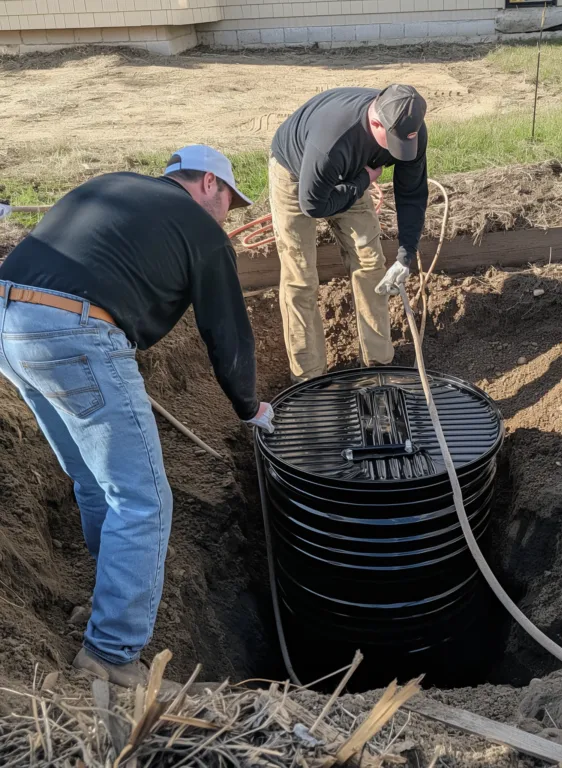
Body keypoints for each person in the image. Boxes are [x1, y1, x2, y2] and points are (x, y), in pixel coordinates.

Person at [0, 146, 274, 688]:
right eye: (229, 202)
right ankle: (110, 653)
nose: (228, 216)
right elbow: (227, 334)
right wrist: (250, 408)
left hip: (9, 323)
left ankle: (105, 609)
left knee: (97, 484)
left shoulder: (115, 187)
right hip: (73, 332)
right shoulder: (199, 226)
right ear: (208, 185)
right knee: (143, 499)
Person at [270, 84, 429, 382]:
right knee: (300, 277)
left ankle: (377, 365)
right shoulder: (332, 142)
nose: (398, 151)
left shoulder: (411, 129)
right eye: (392, 141)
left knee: (371, 264)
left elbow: (412, 193)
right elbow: (314, 205)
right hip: (299, 177)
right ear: (376, 122)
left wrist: (406, 255)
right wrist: (360, 182)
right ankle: (308, 377)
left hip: (356, 173)